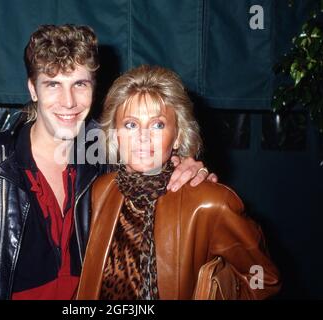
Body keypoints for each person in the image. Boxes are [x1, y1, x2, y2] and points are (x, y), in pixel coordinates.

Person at [0, 25, 215, 300]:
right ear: (33, 89)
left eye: (79, 84)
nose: (68, 102)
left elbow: (157, 169)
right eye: (53, 84)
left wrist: (185, 169)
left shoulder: (109, 158)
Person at [76, 65, 281, 300]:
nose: (143, 137)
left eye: (157, 125)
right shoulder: (101, 190)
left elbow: (264, 279)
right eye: (131, 124)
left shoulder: (211, 203)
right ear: (114, 134)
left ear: (178, 136)